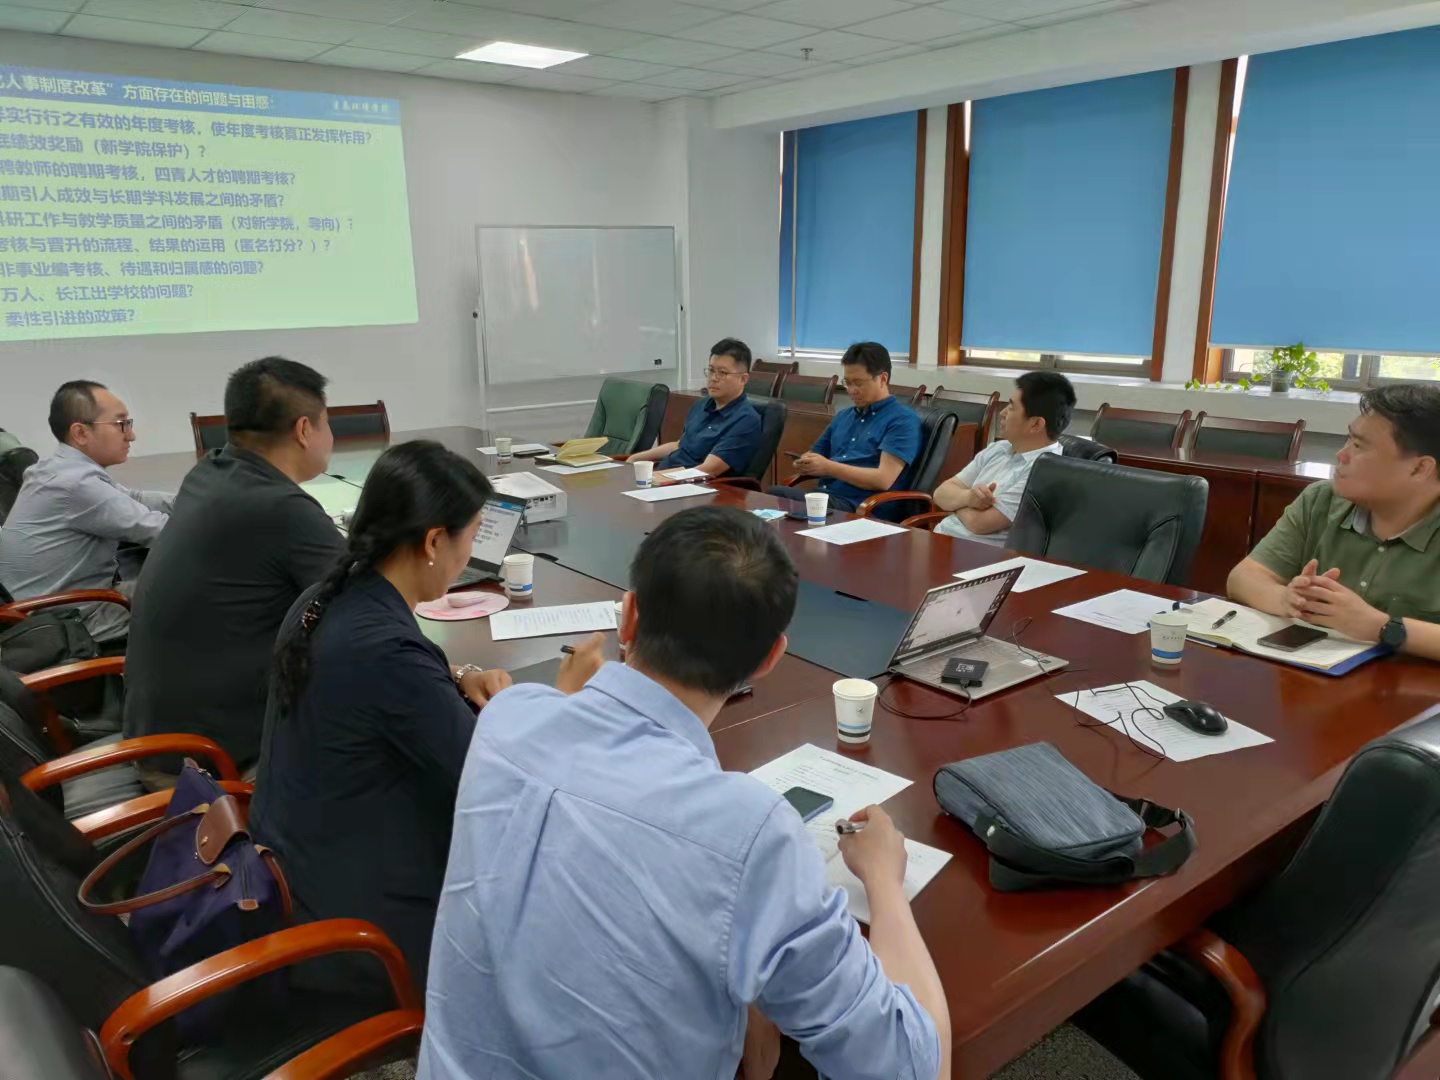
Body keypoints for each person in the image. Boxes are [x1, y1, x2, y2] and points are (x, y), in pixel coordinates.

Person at [419, 506, 950, 1080]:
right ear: (770, 658)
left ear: (627, 617)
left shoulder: (506, 719)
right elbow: (909, 1066)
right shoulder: (749, 835)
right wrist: (883, 882)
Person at [250, 441, 519, 992]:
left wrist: (456, 675)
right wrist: (563, 699)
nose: (470, 554)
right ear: (434, 541)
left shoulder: (326, 597)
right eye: (471, 537)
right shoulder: (386, 652)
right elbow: (496, 784)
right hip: (361, 933)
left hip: (297, 874)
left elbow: (389, 674)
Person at [123, 357, 343, 774]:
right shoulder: (280, 507)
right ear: (304, 429)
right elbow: (372, 607)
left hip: (160, 739)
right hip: (211, 769)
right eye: (326, 422)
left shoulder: (210, 472)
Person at [1228, 383, 1440, 661]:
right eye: (1348, 440)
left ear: (1419, 467)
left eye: (1359, 446)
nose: (1341, 455)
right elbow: (1243, 578)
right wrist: (1289, 600)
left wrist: (1380, 627)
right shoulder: (1321, 500)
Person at [0, 381, 172, 647]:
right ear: (80, 432)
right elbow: (163, 533)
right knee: (203, 596)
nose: (131, 435)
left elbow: (134, 498)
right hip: (71, 621)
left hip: (52, 606)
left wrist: (197, 500)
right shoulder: (75, 484)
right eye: (121, 424)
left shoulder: (59, 469)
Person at [769, 341, 923, 513]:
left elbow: (883, 479)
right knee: (772, 498)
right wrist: (807, 463)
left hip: (862, 507)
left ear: (882, 379)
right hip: (826, 498)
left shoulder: (902, 421)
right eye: (847, 383)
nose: (851, 390)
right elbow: (816, 454)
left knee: (776, 499)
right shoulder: (844, 416)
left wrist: (828, 467)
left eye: (858, 383)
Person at [931, 371, 1075, 546]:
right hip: (939, 540)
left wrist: (956, 502)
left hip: (975, 554)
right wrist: (969, 498)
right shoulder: (999, 448)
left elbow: (980, 524)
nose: (1002, 413)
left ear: (1036, 424)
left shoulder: (1045, 470)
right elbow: (940, 493)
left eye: (1012, 407)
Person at [627, 338, 762, 478]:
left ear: (743, 379)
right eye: (711, 370)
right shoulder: (701, 405)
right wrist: (635, 458)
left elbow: (708, 470)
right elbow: (680, 446)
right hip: (665, 477)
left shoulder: (745, 420)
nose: (713, 378)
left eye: (722, 373)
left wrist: (656, 478)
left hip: (693, 485)